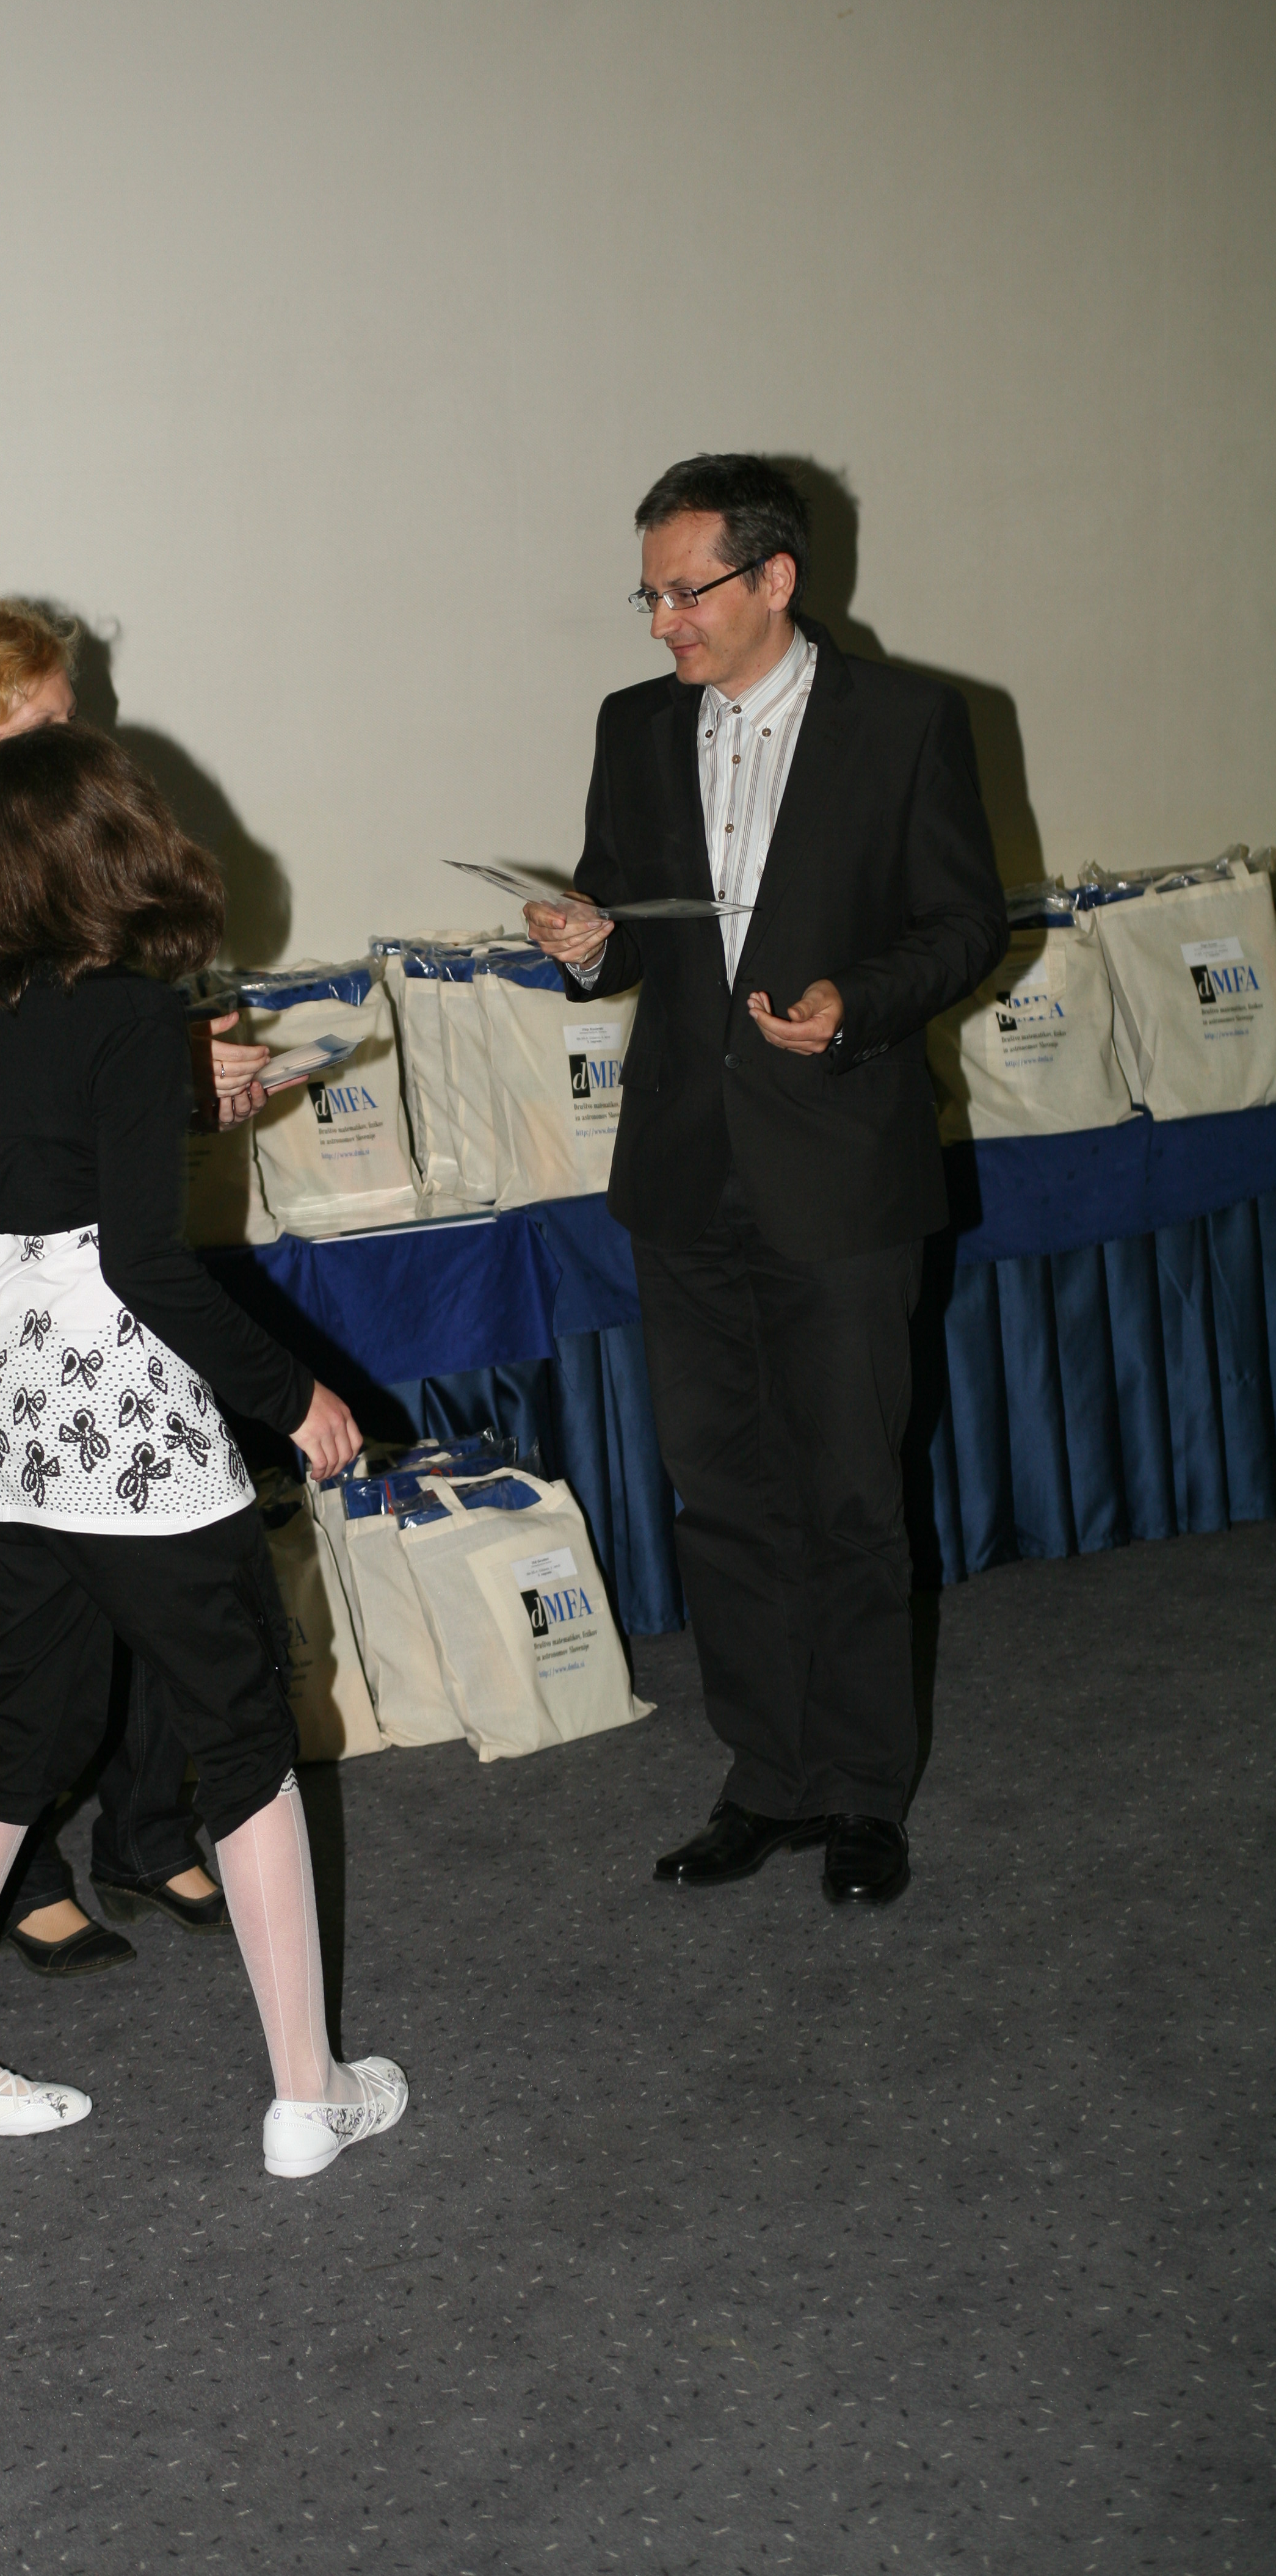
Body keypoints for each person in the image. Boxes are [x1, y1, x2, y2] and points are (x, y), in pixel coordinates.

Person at [0, 719, 406, 2174]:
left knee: (10, 1726)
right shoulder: (131, 1018)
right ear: (117, 848)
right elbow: (147, 1265)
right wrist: (295, 1396)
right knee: (240, 1725)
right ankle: (309, 2091)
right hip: (126, 1427)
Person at [526, 455, 1007, 1909]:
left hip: (839, 1168)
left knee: (848, 1493)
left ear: (774, 578)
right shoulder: (630, 726)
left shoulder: (907, 720)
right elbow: (623, 916)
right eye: (649, 596)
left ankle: (861, 1790)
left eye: (688, 592)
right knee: (722, 1491)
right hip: (682, 1169)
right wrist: (586, 943)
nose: (663, 621)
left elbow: (963, 925)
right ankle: (767, 1775)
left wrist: (855, 1004)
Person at [0, 599, 273, 1973]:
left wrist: (202, 1081)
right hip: (0, 1308)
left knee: (165, 1580)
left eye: (66, 715)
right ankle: (23, 1861)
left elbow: (111, 1077)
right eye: (32, 721)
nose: (65, 740)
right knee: (24, 1619)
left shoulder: (91, 868)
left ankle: (148, 1831)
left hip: (122, 1302)